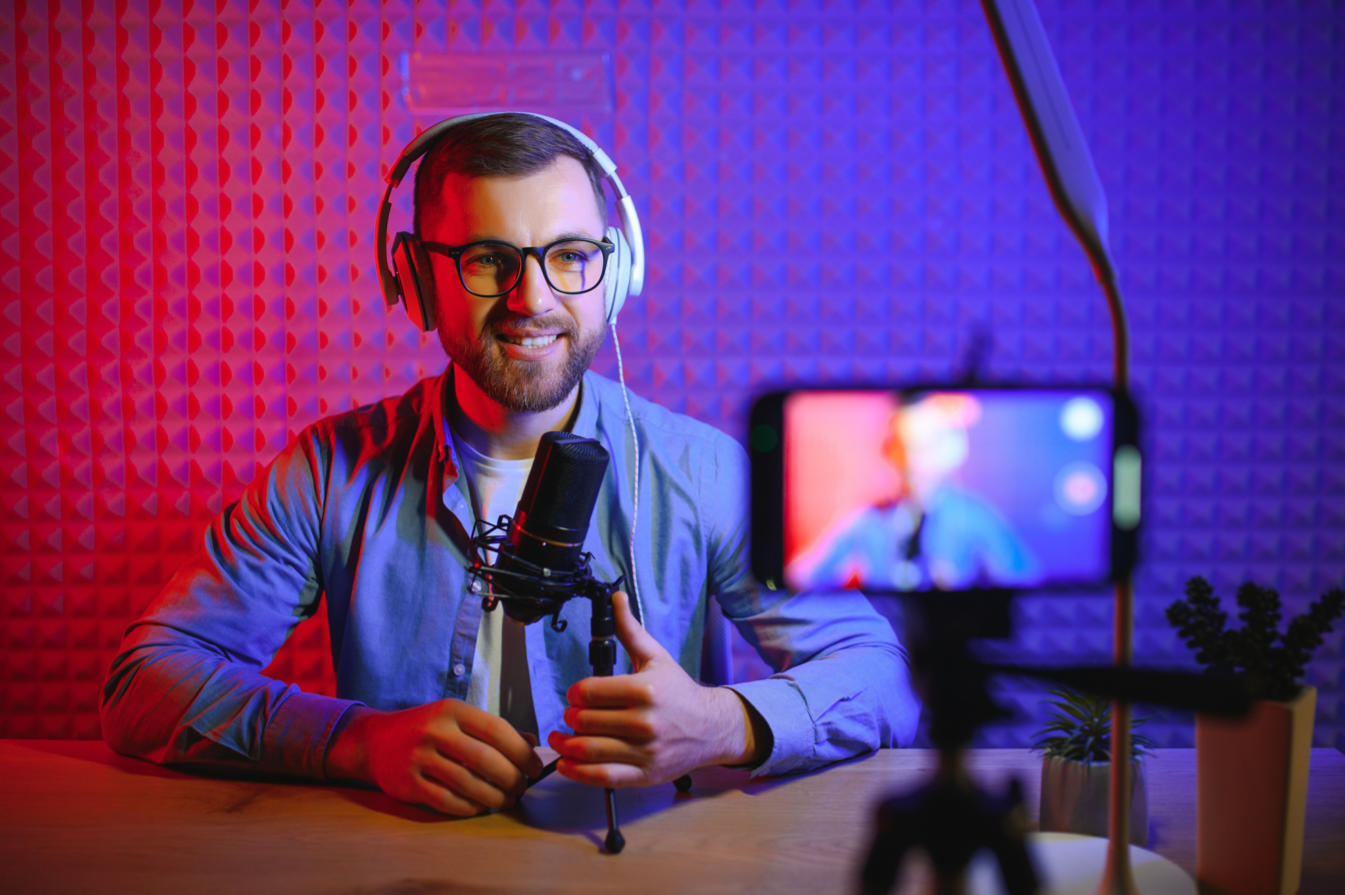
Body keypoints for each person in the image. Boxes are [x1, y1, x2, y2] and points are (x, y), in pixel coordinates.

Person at [101, 112, 920, 817]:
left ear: (616, 270)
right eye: (490, 259)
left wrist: (722, 722)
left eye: (568, 256)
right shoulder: (328, 470)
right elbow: (144, 685)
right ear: (416, 280)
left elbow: (880, 678)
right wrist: (354, 740)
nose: (533, 299)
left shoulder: (701, 471)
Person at [788, 393, 1037, 592]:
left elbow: (1024, 577)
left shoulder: (973, 516)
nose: (913, 463)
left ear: (949, 449)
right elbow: (800, 576)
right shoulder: (866, 520)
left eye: (925, 447)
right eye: (903, 448)